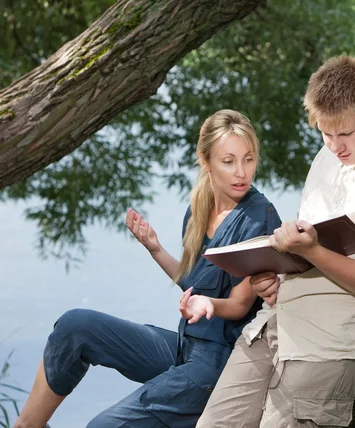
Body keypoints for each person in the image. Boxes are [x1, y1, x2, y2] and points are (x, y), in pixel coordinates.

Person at [196, 56, 355, 427]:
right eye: (326, 133)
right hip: (276, 325)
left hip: (330, 342)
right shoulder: (326, 158)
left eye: (344, 134)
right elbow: (308, 249)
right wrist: (274, 276)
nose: (335, 145)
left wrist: (312, 250)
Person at [13, 109, 282, 428]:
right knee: (75, 326)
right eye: (229, 161)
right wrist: (154, 247)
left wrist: (207, 304)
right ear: (205, 160)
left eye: (248, 159)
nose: (241, 172)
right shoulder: (200, 208)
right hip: (186, 348)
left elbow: (237, 306)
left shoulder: (258, 218)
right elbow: (196, 284)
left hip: (220, 366)